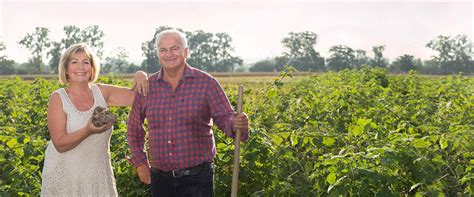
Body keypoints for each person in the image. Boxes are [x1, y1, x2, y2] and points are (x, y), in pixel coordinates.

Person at [127, 29, 249, 196]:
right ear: (158, 54)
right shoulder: (147, 87)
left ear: (186, 52)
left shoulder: (206, 83)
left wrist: (235, 124)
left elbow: (225, 117)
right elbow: (134, 129)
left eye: (175, 48)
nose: (169, 54)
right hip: (160, 180)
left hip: (198, 179)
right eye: (163, 50)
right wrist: (141, 163)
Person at [40, 42, 149, 196]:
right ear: (65, 68)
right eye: (74, 62)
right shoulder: (59, 98)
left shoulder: (102, 92)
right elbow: (60, 144)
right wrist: (88, 130)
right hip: (67, 177)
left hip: (98, 176)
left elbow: (140, 97)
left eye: (86, 62)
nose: (81, 67)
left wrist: (140, 75)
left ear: (92, 68)